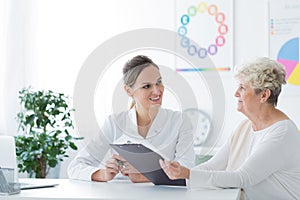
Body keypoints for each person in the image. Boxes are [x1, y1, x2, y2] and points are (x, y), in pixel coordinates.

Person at [160, 57, 300, 199]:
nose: (236, 93)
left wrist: (188, 174)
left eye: (243, 88)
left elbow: (243, 177)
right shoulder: (245, 127)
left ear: (264, 95)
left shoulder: (282, 133)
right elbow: (213, 166)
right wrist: (179, 174)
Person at [68, 55, 195, 183]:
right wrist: (103, 174)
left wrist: (143, 176)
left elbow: (186, 170)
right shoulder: (115, 123)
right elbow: (76, 166)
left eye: (159, 82)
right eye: (146, 86)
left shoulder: (180, 121)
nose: (157, 91)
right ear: (129, 91)